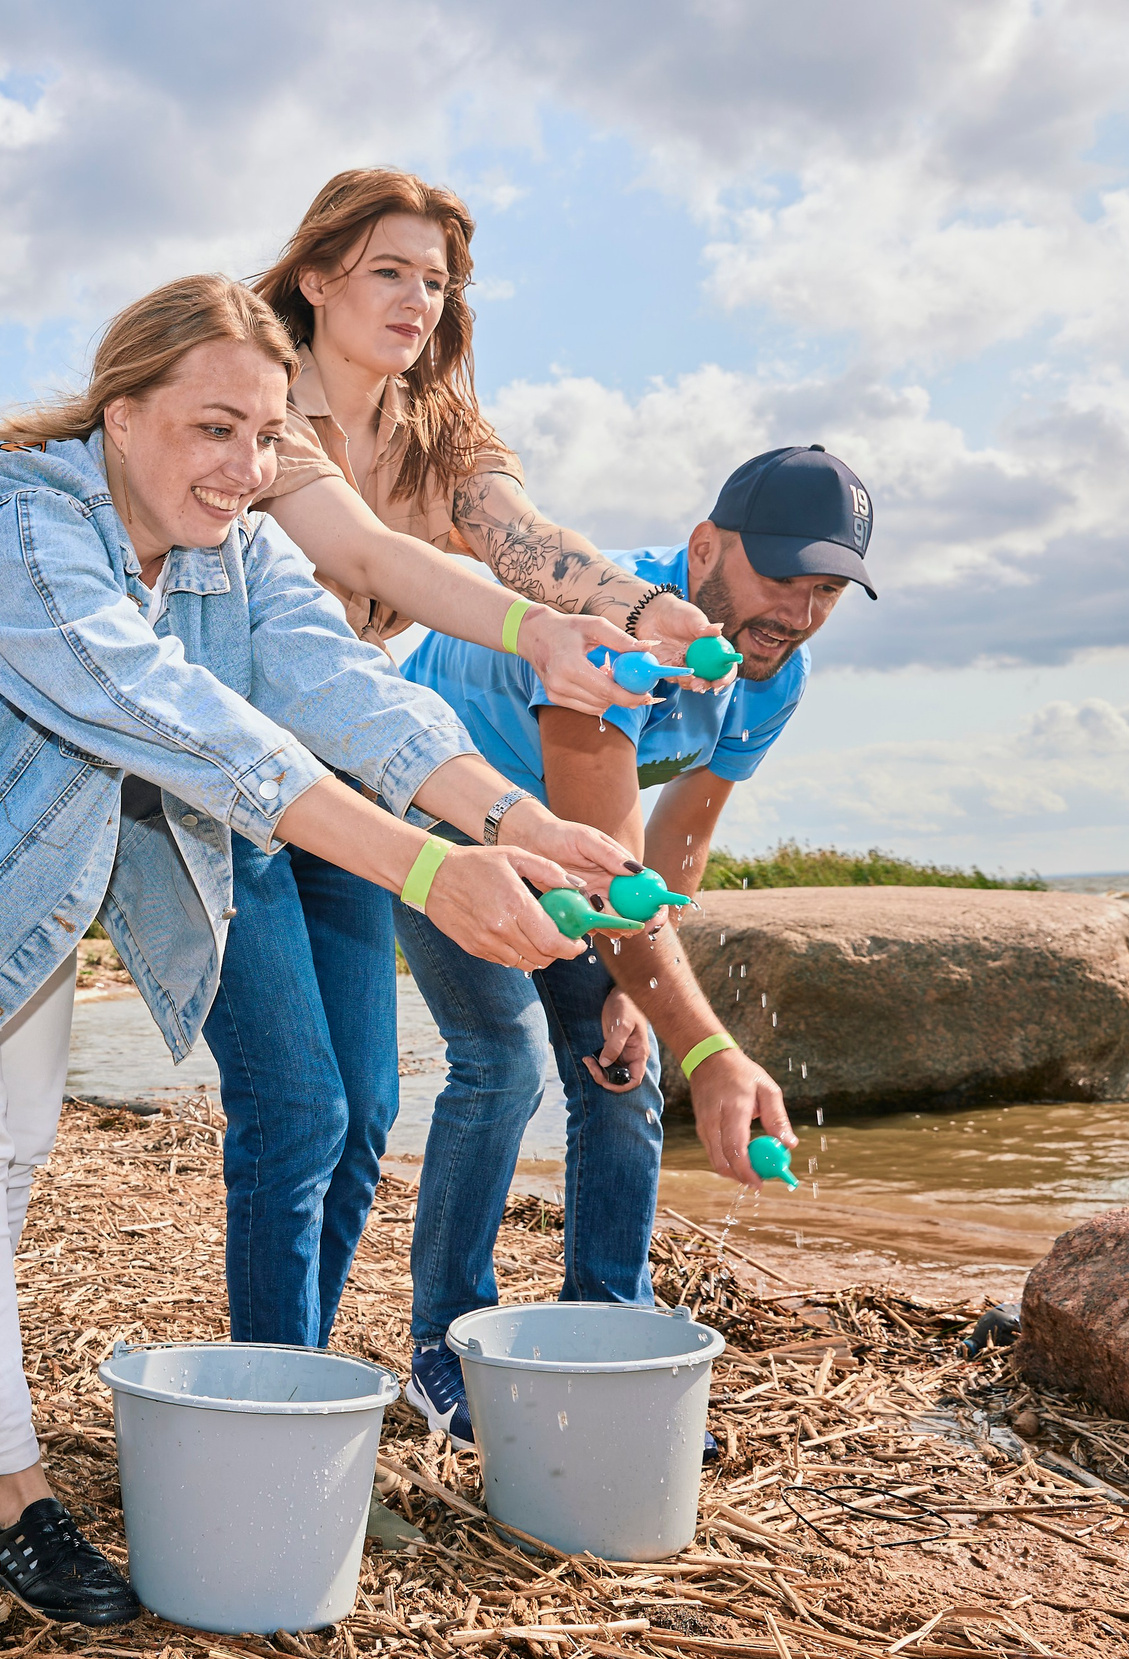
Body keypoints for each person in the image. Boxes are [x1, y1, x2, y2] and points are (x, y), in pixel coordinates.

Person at [0, 272, 635, 1622]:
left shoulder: (226, 543)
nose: (244, 466)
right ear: (122, 414)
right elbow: (170, 709)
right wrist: (424, 862)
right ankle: (8, 1495)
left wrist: (518, 816)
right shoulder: (15, 511)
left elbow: (332, 673)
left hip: (34, 857)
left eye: (265, 434)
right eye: (211, 428)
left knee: (8, 1152)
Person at [185, 165, 731, 1356]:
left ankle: (306, 1370)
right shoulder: (261, 403)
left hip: (355, 772)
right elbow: (374, 557)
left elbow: (524, 542)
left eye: (436, 281)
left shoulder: (440, 430)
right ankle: (269, 1394)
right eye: (389, 270)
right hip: (225, 775)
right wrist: (542, 632)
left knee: (366, 1109)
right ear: (318, 275)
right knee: (298, 1108)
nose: (417, 299)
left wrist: (642, 612)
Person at [389, 446, 875, 1443]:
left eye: (824, 589)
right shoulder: (617, 629)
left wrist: (639, 1001)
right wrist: (708, 1042)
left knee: (619, 1065)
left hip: (573, 840)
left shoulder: (774, 672)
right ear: (704, 549)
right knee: (505, 1059)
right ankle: (443, 1346)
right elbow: (613, 871)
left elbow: (683, 832)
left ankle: (607, 1324)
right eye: (779, 577)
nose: (797, 609)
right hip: (437, 805)